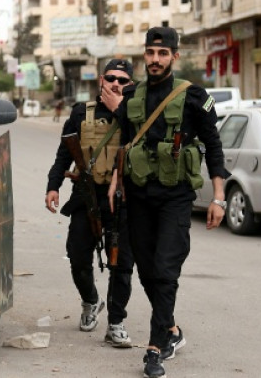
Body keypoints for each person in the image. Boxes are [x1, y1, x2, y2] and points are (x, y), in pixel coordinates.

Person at [108, 27, 229, 378]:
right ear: (144, 55)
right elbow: (124, 143)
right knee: (147, 269)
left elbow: (214, 147)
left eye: (162, 54)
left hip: (175, 197)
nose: (155, 59)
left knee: (165, 269)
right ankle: (171, 328)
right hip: (139, 195)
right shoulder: (133, 95)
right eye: (150, 53)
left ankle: (155, 348)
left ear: (174, 56)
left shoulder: (194, 96)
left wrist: (218, 197)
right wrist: (116, 182)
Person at [45, 59, 135, 347]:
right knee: (77, 256)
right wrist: (53, 186)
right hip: (87, 195)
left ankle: (116, 322)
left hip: (122, 200)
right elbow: (64, 153)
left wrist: (120, 110)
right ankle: (91, 301)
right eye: (111, 78)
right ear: (101, 80)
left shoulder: (136, 114)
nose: (116, 84)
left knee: (121, 263)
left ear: (130, 85)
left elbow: (141, 142)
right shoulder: (81, 112)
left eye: (123, 80)